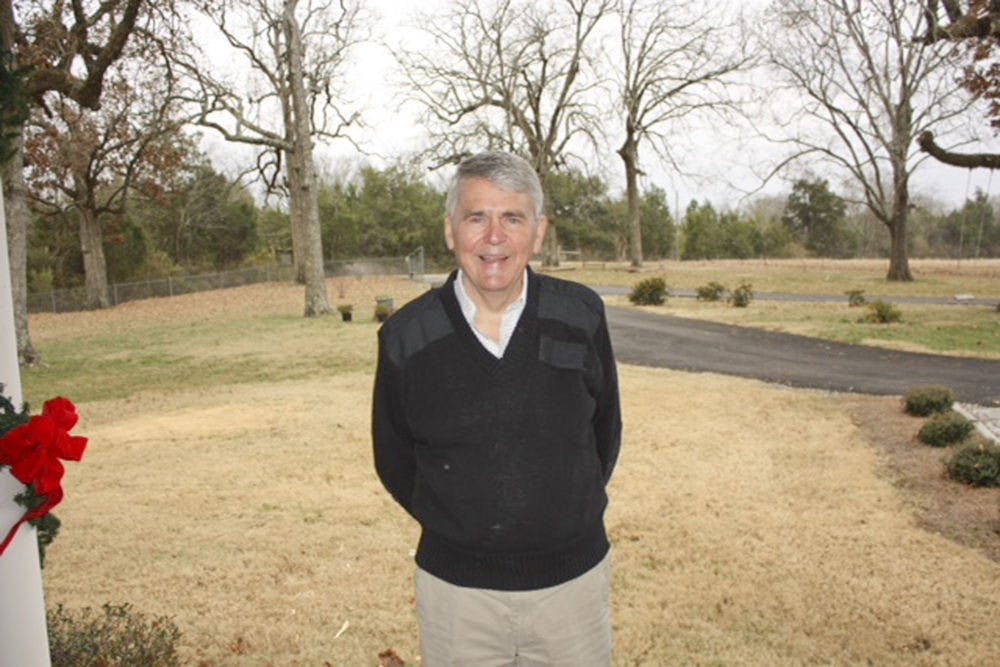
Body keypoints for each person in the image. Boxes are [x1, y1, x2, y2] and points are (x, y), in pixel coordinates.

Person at [372, 151, 621, 665]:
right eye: (476, 217)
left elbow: (605, 433)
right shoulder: (406, 337)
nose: (493, 237)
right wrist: (461, 526)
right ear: (450, 230)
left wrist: (558, 514)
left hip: (571, 591)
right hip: (457, 598)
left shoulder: (580, 315)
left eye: (512, 218)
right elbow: (393, 456)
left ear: (538, 231)